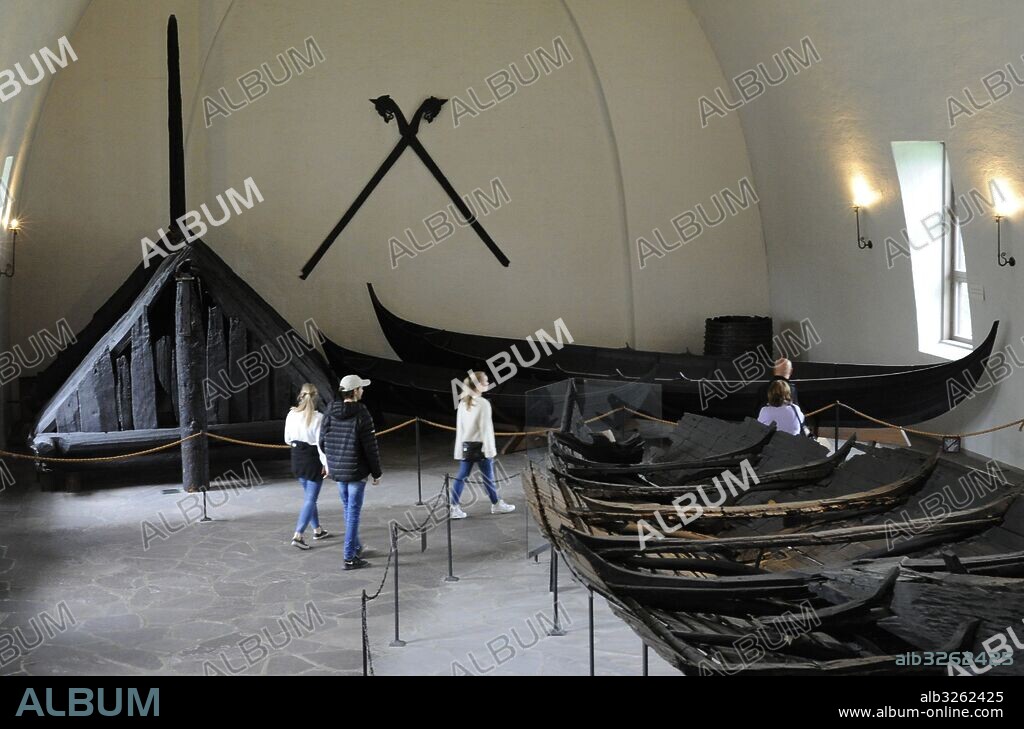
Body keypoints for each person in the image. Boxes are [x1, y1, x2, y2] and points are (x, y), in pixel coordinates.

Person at [319, 374, 382, 571]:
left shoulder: (330, 410)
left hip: (338, 470)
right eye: (361, 388)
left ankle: (355, 546)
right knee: (353, 512)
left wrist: (333, 460)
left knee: (347, 508)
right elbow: (370, 447)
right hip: (356, 471)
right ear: (354, 392)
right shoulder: (362, 413)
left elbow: (322, 441)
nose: (363, 391)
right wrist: (376, 472)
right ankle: (349, 557)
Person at [450, 371, 515, 519]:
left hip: (467, 446)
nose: (487, 383)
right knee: (488, 478)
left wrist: (459, 449)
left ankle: (454, 506)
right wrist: (489, 450)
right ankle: (496, 504)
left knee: (462, 476)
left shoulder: (463, 403)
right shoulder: (483, 403)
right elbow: (485, 429)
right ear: (477, 385)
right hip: (481, 447)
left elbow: (460, 429)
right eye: (485, 381)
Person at [285, 383, 330, 550]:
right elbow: (320, 445)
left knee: (308, 498)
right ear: (316, 397)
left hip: (297, 457)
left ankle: (317, 530)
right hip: (313, 459)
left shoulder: (291, 414)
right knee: (311, 498)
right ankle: (298, 535)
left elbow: (287, 439)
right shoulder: (319, 417)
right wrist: (326, 464)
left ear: (300, 396)